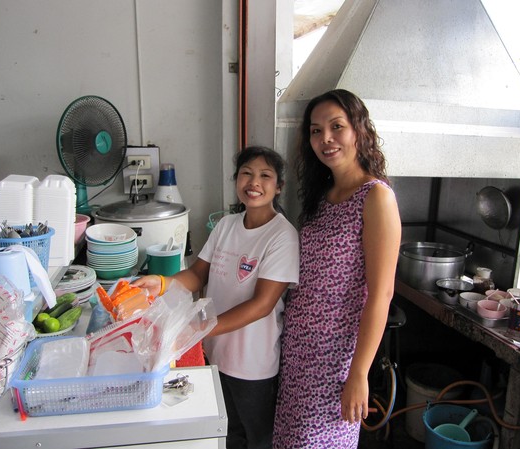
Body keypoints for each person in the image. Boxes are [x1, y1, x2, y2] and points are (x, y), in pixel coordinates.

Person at [132, 146, 299, 449]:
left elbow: (262, 305)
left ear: (279, 186)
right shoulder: (226, 226)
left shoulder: (282, 236)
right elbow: (197, 276)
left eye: (265, 176)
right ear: (236, 180)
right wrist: (162, 282)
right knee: (227, 432)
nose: (254, 183)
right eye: (246, 174)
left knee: (258, 438)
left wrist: (200, 328)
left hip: (253, 365)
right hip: (216, 356)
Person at [272, 89, 401, 448]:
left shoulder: (376, 197)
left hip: (336, 356)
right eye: (315, 130)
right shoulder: (322, 196)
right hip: (298, 347)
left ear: (358, 129)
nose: (325, 138)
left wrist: (358, 372)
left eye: (336, 126)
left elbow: (381, 294)